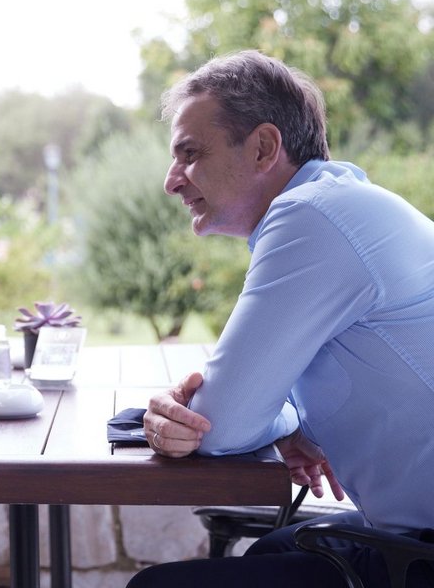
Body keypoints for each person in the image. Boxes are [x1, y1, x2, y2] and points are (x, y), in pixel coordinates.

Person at [130, 51, 434, 587]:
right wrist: (288, 423)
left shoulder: (311, 217)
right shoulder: (341, 204)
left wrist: (245, 418)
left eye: (190, 154)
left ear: (264, 148)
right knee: (273, 548)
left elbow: (218, 425)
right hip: (409, 532)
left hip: (420, 551)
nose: (172, 181)